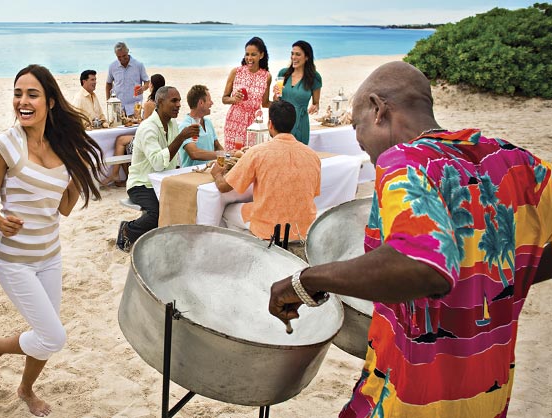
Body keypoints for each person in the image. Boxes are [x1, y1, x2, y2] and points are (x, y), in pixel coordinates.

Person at [268, 61, 552, 418]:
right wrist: (502, 276)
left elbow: (421, 267)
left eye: (358, 128)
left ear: (378, 109)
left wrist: (304, 281)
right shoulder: (511, 159)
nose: (365, 150)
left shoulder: (404, 160)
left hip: (409, 398)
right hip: (487, 395)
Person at [0, 64, 103, 417]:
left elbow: (63, 208)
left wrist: (79, 168)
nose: (22, 101)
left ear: (49, 102)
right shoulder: (3, 146)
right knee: (53, 336)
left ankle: (25, 388)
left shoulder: (62, 147)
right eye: (18, 94)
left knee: (45, 335)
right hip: (14, 261)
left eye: (31, 94)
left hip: (50, 256)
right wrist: (0, 222)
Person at [210, 100, 319, 241]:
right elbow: (314, 193)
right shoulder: (312, 155)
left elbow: (224, 187)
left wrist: (217, 174)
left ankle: (252, 246)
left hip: (270, 227)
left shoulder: (257, 152)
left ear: (270, 124)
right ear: (293, 124)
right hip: (304, 227)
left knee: (227, 211)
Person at [116, 86, 199, 252]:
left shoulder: (173, 124)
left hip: (163, 180)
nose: (179, 105)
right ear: (160, 102)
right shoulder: (148, 128)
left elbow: (174, 159)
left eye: (179, 101)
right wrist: (182, 137)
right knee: (157, 213)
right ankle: (127, 229)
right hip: (141, 183)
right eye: (174, 101)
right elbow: (158, 164)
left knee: (185, 203)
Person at [104, 73, 166, 187]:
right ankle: (124, 176)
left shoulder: (149, 104)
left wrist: (137, 119)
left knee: (120, 140)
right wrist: (137, 120)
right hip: (160, 138)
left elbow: (146, 127)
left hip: (149, 140)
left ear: (151, 85)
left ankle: (116, 174)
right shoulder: (163, 103)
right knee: (123, 140)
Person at [222, 36, 272, 152]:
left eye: (253, 54)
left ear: (261, 55)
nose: (249, 58)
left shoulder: (266, 76)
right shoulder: (236, 72)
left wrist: (279, 100)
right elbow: (224, 99)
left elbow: (265, 104)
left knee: (251, 155)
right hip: (234, 122)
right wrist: (234, 99)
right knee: (233, 156)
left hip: (254, 124)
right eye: (247, 54)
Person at [272, 40, 321, 145]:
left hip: (300, 123)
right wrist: (275, 95)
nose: (293, 57)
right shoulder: (283, 73)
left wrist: (315, 107)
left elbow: (316, 103)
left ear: (307, 57)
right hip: (281, 121)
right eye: (292, 54)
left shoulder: (314, 77)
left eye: (298, 54)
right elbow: (276, 100)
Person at [178, 84, 224, 167]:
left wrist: (229, 157)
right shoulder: (186, 126)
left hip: (209, 170)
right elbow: (194, 153)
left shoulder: (208, 122)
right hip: (191, 174)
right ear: (201, 103)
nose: (212, 103)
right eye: (209, 100)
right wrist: (226, 154)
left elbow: (217, 146)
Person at [105, 41, 149, 116]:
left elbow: (147, 82)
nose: (122, 58)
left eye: (124, 55)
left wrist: (143, 88)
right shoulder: (112, 66)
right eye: (119, 57)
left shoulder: (138, 65)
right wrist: (109, 101)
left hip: (135, 106)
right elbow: (108, 84)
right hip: (118, 107)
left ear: (128, 51)